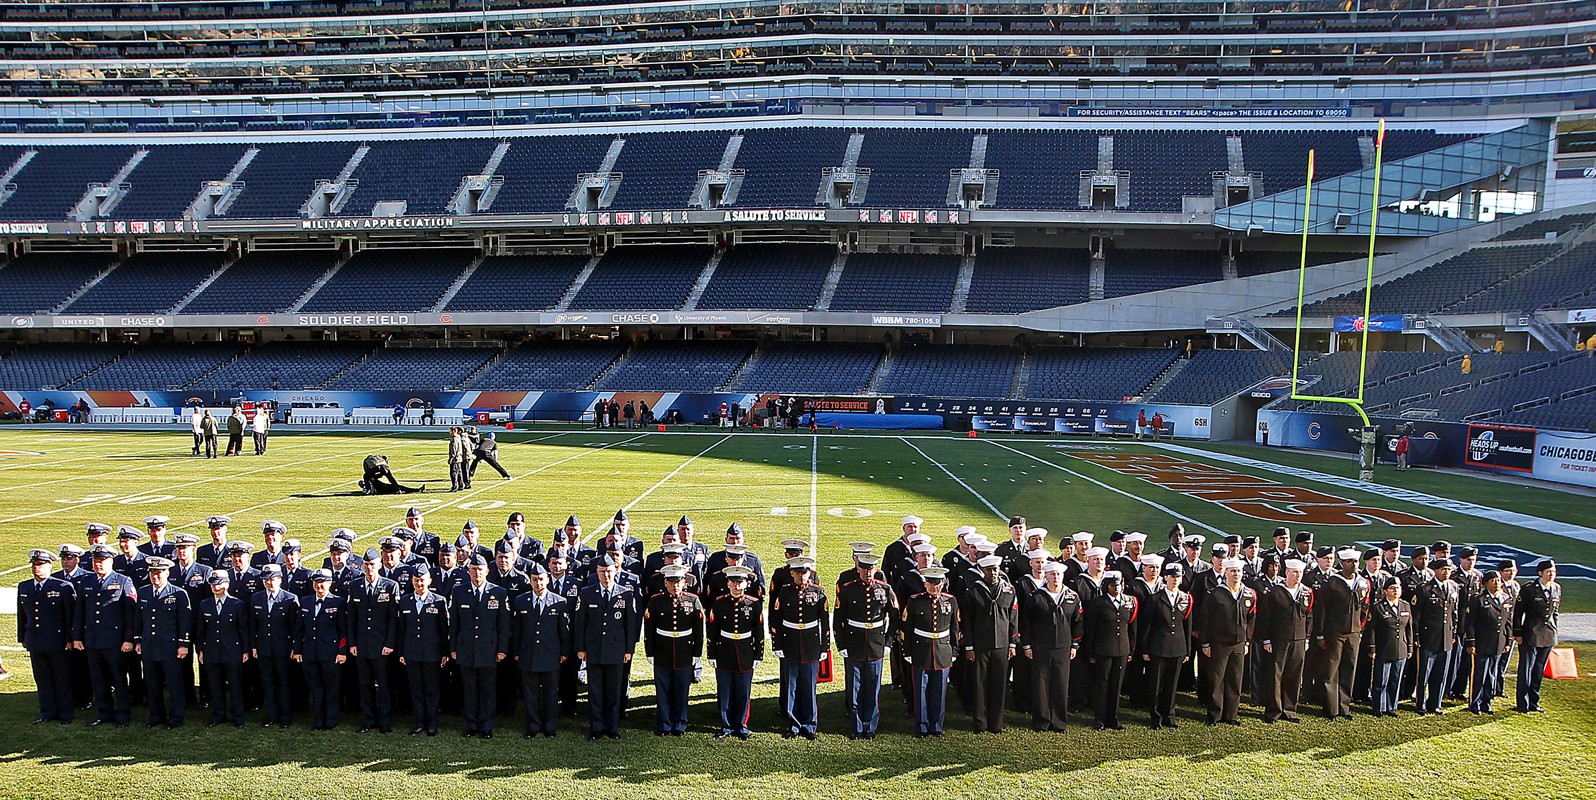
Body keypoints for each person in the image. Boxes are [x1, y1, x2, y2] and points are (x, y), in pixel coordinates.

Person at [74, 544, 137, 727]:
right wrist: (77, 637)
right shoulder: (86, 582)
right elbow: (80, 611)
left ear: (111, 561)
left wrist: (128, 638)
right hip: (93, 640)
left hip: (115, 641)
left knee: (119, 678)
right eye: (96, 561)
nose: (98, 565)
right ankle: (104, 712)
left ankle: (123, 714)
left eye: (102, 561)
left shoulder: (123, 581)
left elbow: (130, 614)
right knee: (98, 679)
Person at [575, 556, 638, 740]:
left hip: (616, 650)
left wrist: (628, 650)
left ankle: (611, 727)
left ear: (615, 571)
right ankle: (595, 727)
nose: (606, 575)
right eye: (602, 571)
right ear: (597, 572)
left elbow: (630, 625)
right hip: (593, 650)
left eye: (609, 571)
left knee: (613, 691)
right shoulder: (587, 593)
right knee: (595, 691)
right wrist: (581, 648)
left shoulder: (625, 594)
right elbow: (580, 623)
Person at [451, 554, 510, 738]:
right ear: (468, 571)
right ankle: (471, 724)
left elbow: (504, 625)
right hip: (466, 649)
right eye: (473, 569)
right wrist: (453, 648)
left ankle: (486, 725)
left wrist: (502, 649)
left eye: (480, 569)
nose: (477, 573)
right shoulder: (459, 592)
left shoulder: (499, 593)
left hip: (488, 650)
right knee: (469, 689)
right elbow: (454, 623)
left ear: (487, 571)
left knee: (487, 689)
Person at [1019, 561, 1081, 733]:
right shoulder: (1036, 596)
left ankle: (1059, 722)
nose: (1055, 578)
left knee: (1061, 685)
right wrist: (1026, 645)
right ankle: (1041, 721)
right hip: (1041, 647)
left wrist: (1075, 644)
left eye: (1058, 574)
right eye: (1052, 574)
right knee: (1041, 685)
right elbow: (1026, 623)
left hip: (1063, 648)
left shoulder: (1072, 597)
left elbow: (1077, 622)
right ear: (1046, 576)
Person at [771, 556, 828, 740]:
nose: (802, 576)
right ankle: (794, 725)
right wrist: (777, 644)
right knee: (792, 686)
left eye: (805, 573)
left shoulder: (818, 592)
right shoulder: (784, 592)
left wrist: (824, 647)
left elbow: (825, 622)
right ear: (791, 573)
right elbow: (776, 619)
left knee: (809, 687)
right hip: (790, 643)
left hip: (811, 644)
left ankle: (810, 725)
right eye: (798, 573)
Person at [643, 564, 704, 737]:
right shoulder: (656, 601)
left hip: (684, 651)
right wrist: (650, 652)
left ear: (684, 582)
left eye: (677, 581)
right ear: (665, 582)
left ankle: (680, 722)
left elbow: (699, 630)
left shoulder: (692, 600)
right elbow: (649, 629)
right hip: (662, 650)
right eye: (671, 582)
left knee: (681, 688)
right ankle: (664, 723)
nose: (674, 585)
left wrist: (696, 653)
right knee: (662, 689)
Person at [511, 562, 569, 739]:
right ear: (530, 581)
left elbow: (564, 631)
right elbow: (517, 629)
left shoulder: (559, 602)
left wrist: (564, 652)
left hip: (551, 655)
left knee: (551, 694)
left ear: (548, 580)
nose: (538, 583)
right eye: (535, 580)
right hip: (528, 654)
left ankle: (549, 726)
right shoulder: (521, 601)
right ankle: (533, 726)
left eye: (541, 579)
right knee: (530, 693)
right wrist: (516, 651)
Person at [19, 549, 76, 726]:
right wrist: (22, 636)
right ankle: (47, 711)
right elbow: (22, 615)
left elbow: (69, 616)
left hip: (57, 641)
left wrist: (69, 638)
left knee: (61, 678)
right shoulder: (25, 586)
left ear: (50, 566)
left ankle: (65, 713)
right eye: (35, 565)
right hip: (35, 640)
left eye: (41, 565)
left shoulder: (62, 587)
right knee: (42, 679)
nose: (37, 569)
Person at [134, 556, 192, 729]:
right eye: (152, 573)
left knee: (174, 683)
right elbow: (139, 618)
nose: (156, 577)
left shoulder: (178, 594)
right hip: (149, 645)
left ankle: (176, 717)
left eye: (159, 573)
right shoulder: (143, 592)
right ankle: (156, 716)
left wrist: (184, 644)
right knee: (152, 683)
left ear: (167, 573)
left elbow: (184, 621)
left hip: (170, 646)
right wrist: (137, 640)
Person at [348, 549, 400, 734]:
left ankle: (385, 721)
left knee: (384, 685)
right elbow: (352, 617)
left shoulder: (390, 586)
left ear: (379, 565)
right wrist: (352, 643)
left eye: (373, 565)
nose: (370, 568)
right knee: (365, 685)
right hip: (361, 645)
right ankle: (369, 719)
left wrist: (389, 643)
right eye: (366, 565)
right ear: (362, 566)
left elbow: (393, 619)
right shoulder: (355, 586)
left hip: (381, 646)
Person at [902, 565, 958, 738]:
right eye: (931, 583)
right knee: (921, 690)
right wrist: (907, 651)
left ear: (943, 584)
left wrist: (954, 651)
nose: (935, 587)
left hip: (942, 651)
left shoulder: (950, 601)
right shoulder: (915, 601)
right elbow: (907, 629)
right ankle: (921, 725)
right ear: (925, 584)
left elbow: (955, 629)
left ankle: (936, 725)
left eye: (938, 583)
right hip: (921, 650)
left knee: (939, 691)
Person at [1314, 548, 1370, 720]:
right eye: (1350, 562)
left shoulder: (1362, 582)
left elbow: (1365, 607)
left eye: (1355, 562)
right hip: (1335, 632)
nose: (1354, 565)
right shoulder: (1332, 582)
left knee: (1349, 669)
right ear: (1342, 563)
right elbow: (1322, 609)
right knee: (1331, 670)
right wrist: (1321, 634)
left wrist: (1359, 627)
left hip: (1353, 633)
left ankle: (1344, 707)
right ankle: (1330, 708)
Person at [708, 566, 763, 739]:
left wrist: (758, 654)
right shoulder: (719, 602)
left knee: (743, 690)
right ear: (728, 583)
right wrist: (712, 654)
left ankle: (741, 725)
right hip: (724, 650)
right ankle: (726, 725)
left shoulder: (754, 604)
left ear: (746, 584)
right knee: (725, 691)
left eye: (740, 582)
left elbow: (759, 631)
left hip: (745, 651)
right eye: (733, 582)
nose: (737, 586)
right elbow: (712, 630)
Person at [1198, 558, 1255, 726]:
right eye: (1232, 571)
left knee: (1235, 680)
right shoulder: (1215, 594)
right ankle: (1214, 714)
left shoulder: (1248, 594)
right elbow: (1205, 620)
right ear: (1226, 573)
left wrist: (1246, 641)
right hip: (1219, 643)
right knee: (1217, 680)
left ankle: (1231, 715)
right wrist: (1206, 643)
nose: (1236, 574)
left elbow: (1251, 619)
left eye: (1238, 571)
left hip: (1238, 644)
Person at [1258, 559, 1312, 724]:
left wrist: (1307, 637)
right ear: (1286, 572)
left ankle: (1289, 710)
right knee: (1275, 675)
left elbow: (1309, 616)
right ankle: (1273, 711)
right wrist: (1266, 639)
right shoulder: (1275, 592)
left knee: (1294, 675)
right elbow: (1266, 616)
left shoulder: (1306, 592)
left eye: (1300, 573)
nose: (1297, 576)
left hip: (1299, 639)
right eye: (1294, 572)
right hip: (1279, 639)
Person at [293, 570, 348, 731]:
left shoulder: (338, 602)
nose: (319, 585)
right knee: (315, 688)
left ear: (330, 583)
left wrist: (342, 651)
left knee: (331, 688)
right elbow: (299, 629)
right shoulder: (305, 601)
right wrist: (298, 650)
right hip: (310, 652)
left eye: (323, 582)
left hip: (330, 653)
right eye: (316, 582)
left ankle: (331, 719)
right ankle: (318, 719)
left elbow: (343, 630)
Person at [396, 568, 449, 737]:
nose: (419, 584)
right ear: (412, 581)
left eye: (422, 580)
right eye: (416, 580)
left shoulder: (439, 601)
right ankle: (419, 722)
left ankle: (432, 723)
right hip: (411, 652)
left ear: (429, 581)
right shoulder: (405, 601)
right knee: (416, 689)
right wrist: (401, 652)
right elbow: (401, 629)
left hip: (432, 653)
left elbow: (443, 629)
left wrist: (444, 653)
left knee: (432, 689)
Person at [195, 572, 251, 728]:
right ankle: (218, 715)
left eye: (219, 583)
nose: (215, 587)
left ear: (227, 584)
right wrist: (200, 649)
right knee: (215, 686)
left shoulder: (237, 604)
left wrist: (245, 650)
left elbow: (243, 629)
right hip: (212, 652)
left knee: (235, 686)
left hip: (232, 652)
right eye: (213, 583)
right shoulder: (204, 604)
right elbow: (201, 630)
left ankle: (238, 716)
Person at [1082, 571, 1136, 731]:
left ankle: (1113, 718)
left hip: (1122, 649)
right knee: (1102, 685)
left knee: (1116, 685)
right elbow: (1090, 628)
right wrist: (1090, 652)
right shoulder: (1098, 603)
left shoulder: (1129, 601)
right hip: (1103, 649)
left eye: (1119, 585)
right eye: (1113, 586)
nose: (1116, 588)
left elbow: (1132, 627)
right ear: (1106, 587)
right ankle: (1099, 719)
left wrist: (1131, 650)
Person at [251, 564, 299, 729]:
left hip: (283, 648)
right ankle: (271, 715)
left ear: (280, 579)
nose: (269, 583)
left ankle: (285, 716)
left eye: (272, 579)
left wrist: (294, 647)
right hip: (264, 647)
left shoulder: (290, 599)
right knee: (268, 682)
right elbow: (253, 625)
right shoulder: (256, 598)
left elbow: (295, 627)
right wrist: (254, 647)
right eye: (266, 580)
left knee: (284, 683)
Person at [1513, 559, 1560, 714]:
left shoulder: (1556, 588)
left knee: (1539, 670)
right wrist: (1518, 632)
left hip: (1548, 635)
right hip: (1531, 633)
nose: (1552, 575)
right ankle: (1522, 703)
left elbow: (1555, 612)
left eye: (1553, 572)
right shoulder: (1529, 589)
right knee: (1526, 669)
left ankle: (1534, 702)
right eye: (1549, 572)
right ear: (1540, 573)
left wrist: (1555, 630)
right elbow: (1518, 613)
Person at [1464, 570, 1512, 714]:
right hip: (1482, 643)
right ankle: (1475, 703)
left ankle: (1486, 701)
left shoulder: (1506, 598)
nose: (1497, 583)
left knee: (1491, 673)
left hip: (1498, 642)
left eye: (1498, 580)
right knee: (1479, 673)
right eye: (1493, 580)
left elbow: (1508, 621)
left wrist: (1508, 640)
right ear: (1486, 583)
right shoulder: (1478, 600)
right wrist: (1471, 642)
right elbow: (1470, 623)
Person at [1366, 577, 1413, 717]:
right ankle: (1378, 707)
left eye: (1398, 588)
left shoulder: (1405, 606)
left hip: (1401, 648)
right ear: (1385, 591)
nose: (1395, 591)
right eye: (1392, 588)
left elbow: (1409, 628)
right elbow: (1372, 629)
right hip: (1384, 647)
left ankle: (1391, 706)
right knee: (1381, 680)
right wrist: (1372, 648)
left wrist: (1409, 647)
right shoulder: (1378, 607)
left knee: (1395, 679)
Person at [448, 426, 469, 492]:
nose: (449, 432)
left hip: (456, 459)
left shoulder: (455, 439)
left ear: (454, 431)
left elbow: (454, 449)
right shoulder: (458, 437)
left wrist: (451, 458)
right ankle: (461, 485)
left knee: (453, 473)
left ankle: (455, 486)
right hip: (459, 458)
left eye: (450, 431)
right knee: (459, 472)